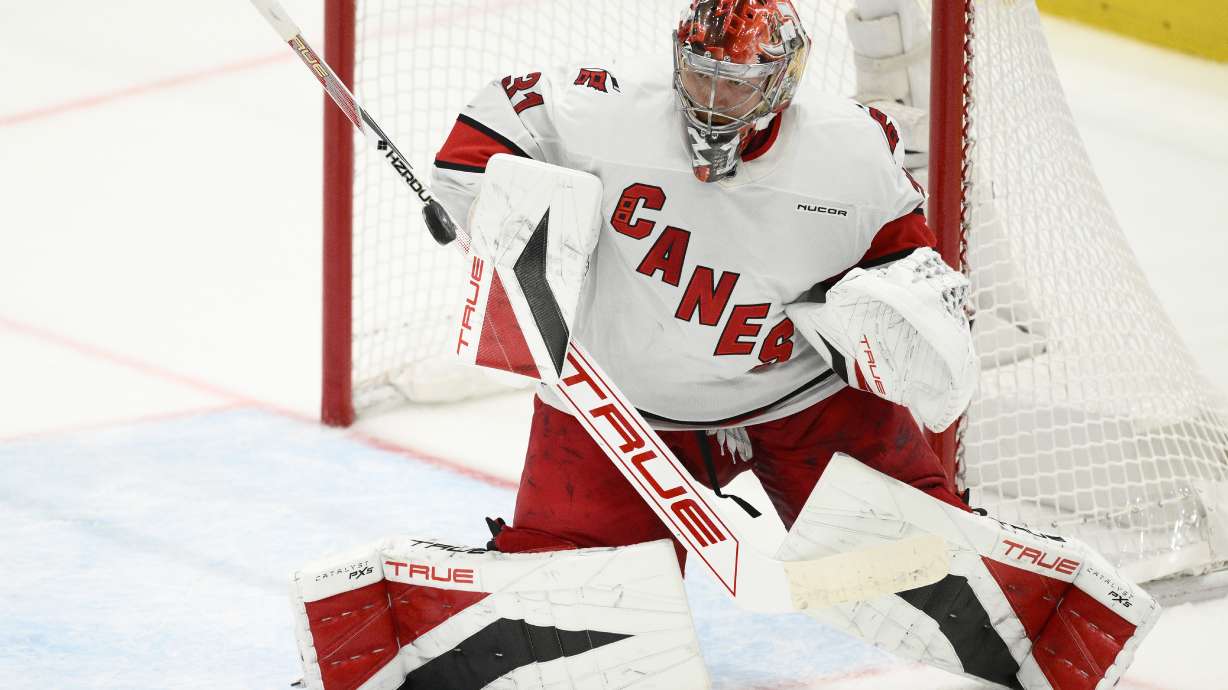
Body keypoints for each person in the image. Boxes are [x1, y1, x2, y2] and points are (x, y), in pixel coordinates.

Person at [418, 1, 1155, 687]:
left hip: (799, 398)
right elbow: (493, 122)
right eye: (700, 74)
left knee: (924, 560)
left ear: (782, 82)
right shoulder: (610, 107)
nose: (710, 98)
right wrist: (482, 202)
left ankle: (1051, 634)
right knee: (568, 605)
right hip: (624, 404)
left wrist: (911, 322)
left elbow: (908, 269)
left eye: (734, 84)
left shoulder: (849, 151)